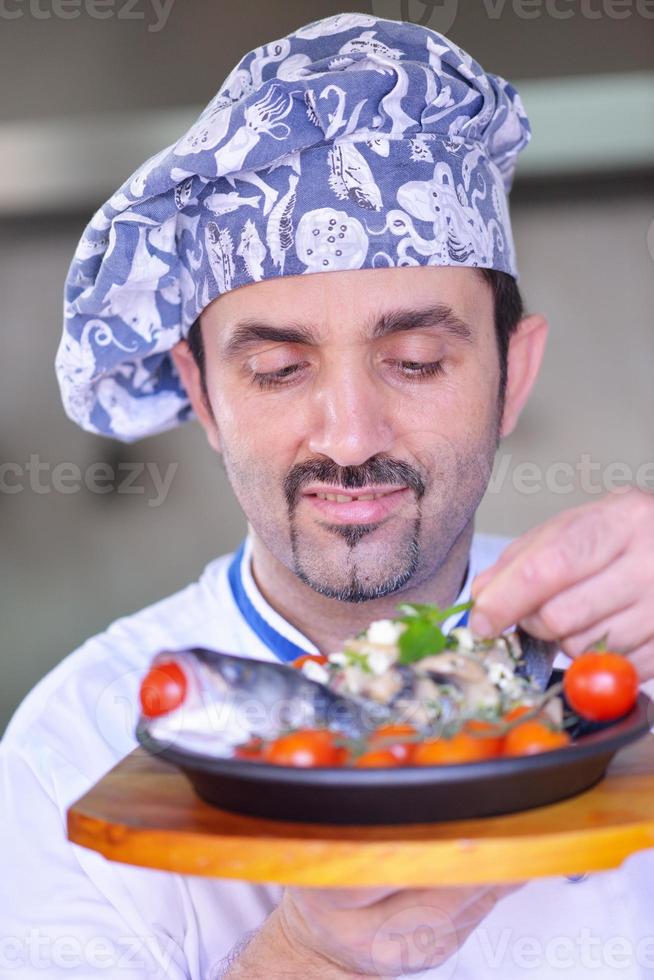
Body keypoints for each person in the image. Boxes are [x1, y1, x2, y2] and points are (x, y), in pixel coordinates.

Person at [2, 12, 653, 979]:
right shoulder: (74, 747)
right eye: (275, 368)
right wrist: (310, 956)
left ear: (514, 376)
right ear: (203, 397)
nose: (349, 438)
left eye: (418, 361)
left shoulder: (625, 654)